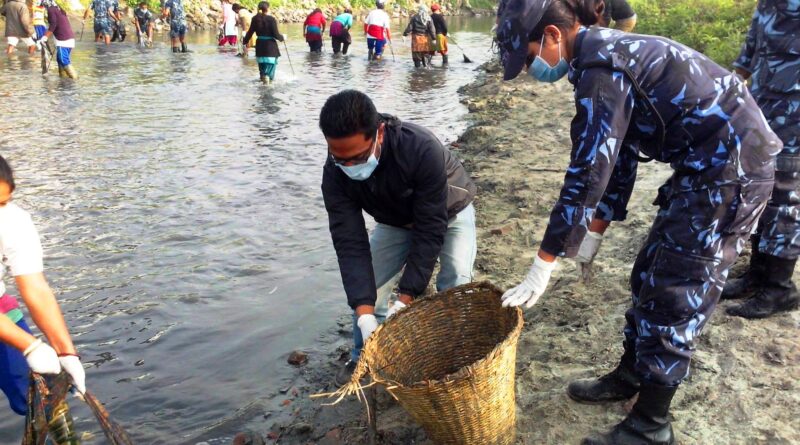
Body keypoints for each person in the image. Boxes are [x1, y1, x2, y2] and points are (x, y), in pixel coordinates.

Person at [495, 0, 781, 444]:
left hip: (732, 172)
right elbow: (621, 155)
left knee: (677, 287)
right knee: (648, 271)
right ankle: (631, 374)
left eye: (530, 57)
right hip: (704, 167)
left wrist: (545, 262)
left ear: (553, 34)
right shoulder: (599, 55)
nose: (534, 68)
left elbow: (588, 172)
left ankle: (651, 425)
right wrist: (594, 233)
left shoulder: (600, 69)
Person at [319, 90, 478, 386]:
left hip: (449, 211)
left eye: (358, 158)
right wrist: (365, 312)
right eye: (341, 159)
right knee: (371, 286)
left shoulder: (420, 147)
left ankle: (451, 357)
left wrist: (406, 299)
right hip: (395, 221)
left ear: (379, 132)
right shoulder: (334, 173)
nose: (350, 167)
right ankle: (361, 356)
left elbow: (431, 228)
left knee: (455, 281)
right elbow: (349, 241)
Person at [723, 0, 800, 319]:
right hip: (763, 108)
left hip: (795, 115)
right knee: (759, 189)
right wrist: (734, 84)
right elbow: (752, 45)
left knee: (785, 196)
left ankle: (780, 287)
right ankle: (757, 273)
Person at [0, 155, 87, 420]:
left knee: (42, 399)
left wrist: (65, 351)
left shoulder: (13, 219)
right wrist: (30, 346)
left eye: (2, 201)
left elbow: (34, 285)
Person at [242, 1, 285, 84]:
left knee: (262, 65)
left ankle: (263, 77)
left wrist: (245, 41)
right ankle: (268, 78)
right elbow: (276, 35)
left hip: (260, 46)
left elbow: (250, 32)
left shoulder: (255, 19)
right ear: (267, 9)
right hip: (270, 47)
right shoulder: (272, 19)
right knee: (271, 65)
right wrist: (282, 38)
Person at [41, 0, 77, 79]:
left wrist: (45, 37)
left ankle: (75, 79)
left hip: (63, 40)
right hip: (69, 38)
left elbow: (53, 24)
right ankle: (63, 80)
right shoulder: (57, 8)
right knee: (60, 60)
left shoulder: (51, 10)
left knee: (63, 60)